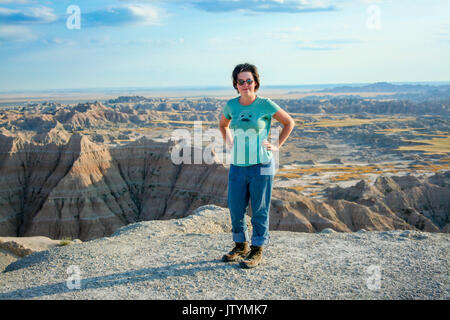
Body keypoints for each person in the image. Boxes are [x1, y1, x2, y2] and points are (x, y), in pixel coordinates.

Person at [219, 63, 295, 268]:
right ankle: (240, 245)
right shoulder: (231, 106)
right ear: (235, 84)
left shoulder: (265, 104)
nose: (245, 85)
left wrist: (277, 144)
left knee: (260, 209)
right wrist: (229, 142)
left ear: (256, 82)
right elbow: (222, 125)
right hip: (237, 165)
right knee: (235, 208)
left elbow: (289, 122)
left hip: (262, 164)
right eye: (241, 81)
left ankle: (256, 249)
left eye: (249, 81)